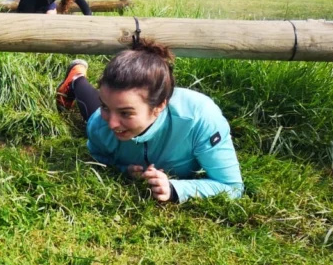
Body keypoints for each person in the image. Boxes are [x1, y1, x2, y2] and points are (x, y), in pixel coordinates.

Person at [55, 40, 243, 203]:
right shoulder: (99, 124)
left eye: (125, 113)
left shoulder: (200, 118)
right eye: (105, 106)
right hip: (97, 119)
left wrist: (175, 189)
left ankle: (79, 79)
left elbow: (232, 185)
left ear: (159, 106)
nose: (111, 123)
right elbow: (99, 155)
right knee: (93, 116)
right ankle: (76, 79)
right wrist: (122, 168)